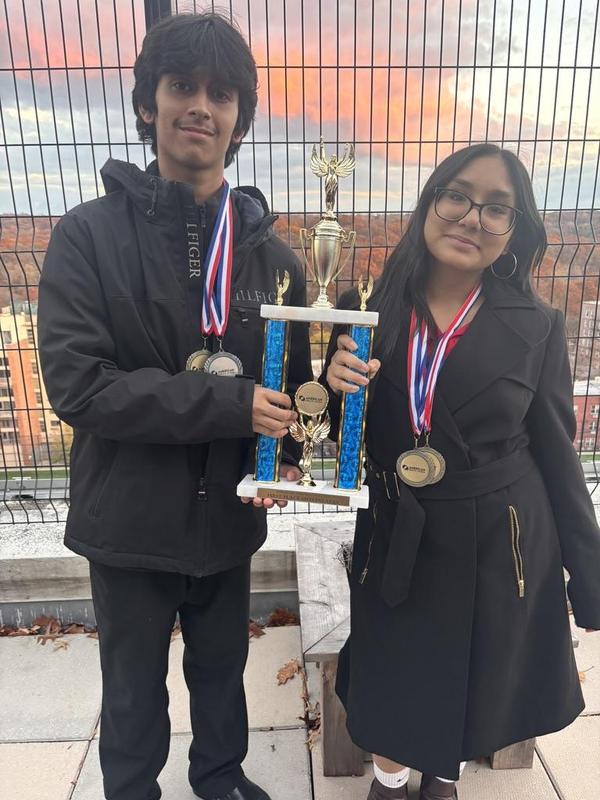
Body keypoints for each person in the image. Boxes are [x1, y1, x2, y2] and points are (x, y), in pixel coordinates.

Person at [38, 12, 312, 800]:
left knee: (223, 674)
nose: (201, 105)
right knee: (131, 692)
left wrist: (299, 433)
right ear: (148, 104)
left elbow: (290, 391)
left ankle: (219, 780)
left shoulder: (276, 259)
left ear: (239, 120)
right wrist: (229, 405)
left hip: (228, 518)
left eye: (221, 93)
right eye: (182, 86)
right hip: (128, 522)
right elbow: (81, 387)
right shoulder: (86, 237)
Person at [323, 143, 600, 800]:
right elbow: (336, 433)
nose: (472, 217)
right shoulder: (366, 305)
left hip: (495, 535)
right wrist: (332, 390)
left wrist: (589, 579)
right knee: (394, 670)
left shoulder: (536, 327)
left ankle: (441, 776)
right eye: (458, 195)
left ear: (513, 231)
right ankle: (390, 781)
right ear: (431, 203)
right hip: (397, 527)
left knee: (475, 672)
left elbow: (559, 459)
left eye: (497, 208)